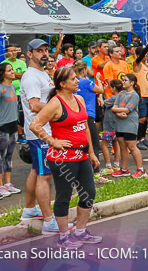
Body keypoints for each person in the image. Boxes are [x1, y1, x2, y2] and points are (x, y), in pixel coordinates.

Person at [29, 66, 103, 249]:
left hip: (81, 155)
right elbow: (34, 124)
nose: (77, 81)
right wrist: (52, 141)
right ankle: (63, 237)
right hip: (62, 159)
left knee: (89, 192)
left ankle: (80, 231)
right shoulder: (55, 103)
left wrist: (91, 153)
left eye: (76, 78)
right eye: (73, 79)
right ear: (62, 84)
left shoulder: (79, 99)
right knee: (64, 196)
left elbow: (85, 128)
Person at [19, 38, 58, 232]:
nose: (44, 54)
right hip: (41, 132)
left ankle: (29, 209)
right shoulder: (32, 76)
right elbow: (34, 105)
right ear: (29, 54)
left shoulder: (42, 74)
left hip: (42, 130)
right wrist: (59, 108)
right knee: (45, 175)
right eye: (39, 51)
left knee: (36, 171)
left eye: (46, 50)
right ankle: (49, 221)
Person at [72, 61, 107, 184]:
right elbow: (101, 90)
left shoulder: (73, 83)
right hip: (89, 115)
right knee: (94, 145)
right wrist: (97, 79)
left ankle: (80, 175)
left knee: (81, 145)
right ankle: (96, 173)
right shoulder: (87, 82)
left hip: (76, 116)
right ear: (84, 71)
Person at [0, 62, 21, 195]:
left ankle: (8, 183)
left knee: (9, 156)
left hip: (13, 125)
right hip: (2, 127)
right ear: (3, 73)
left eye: (12, 70)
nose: (13, 72)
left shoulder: (13, 87)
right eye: (9, 70)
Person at [110, 73, 143, 177]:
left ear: (132, 83)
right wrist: (118, 112)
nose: (123, 82)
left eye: (125, 80)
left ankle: (140, 169)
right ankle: (124, 169)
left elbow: (128, 109)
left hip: (130, 124)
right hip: (120, 123)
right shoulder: (121, 94)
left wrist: (116, 110)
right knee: (122, 146)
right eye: (123, 80)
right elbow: (114, 107)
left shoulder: (134, 95)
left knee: (132, 146)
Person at [132, 43, 148, 150]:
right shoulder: (137, 65)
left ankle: (142, 138)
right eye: (143, 54)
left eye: (146, 54)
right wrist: (147, 46)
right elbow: (139, 58)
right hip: (141, 96)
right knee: (141, 118)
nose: (145, 56)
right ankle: (137, 140)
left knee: (146, 118)